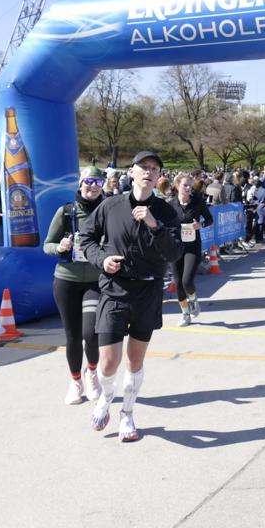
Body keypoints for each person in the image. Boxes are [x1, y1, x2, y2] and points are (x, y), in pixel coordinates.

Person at [78, 150, 182, 441]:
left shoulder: (165, 212)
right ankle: (105, 397)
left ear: (159, 176)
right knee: (108, 362)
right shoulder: (110, 206)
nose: (149, 171)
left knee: (135, 361)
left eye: (154, 168)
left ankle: (127, 413)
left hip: (148, 291)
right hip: (115, 289)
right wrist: (102, 260)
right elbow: (86, 238)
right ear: (132, 172)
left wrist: (154, 225)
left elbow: (175, 252)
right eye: (143, 167)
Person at [43, 167, 105, 405]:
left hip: (95, 282)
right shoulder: (66, 211)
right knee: (72, 336)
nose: (93, 186)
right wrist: (60, 247)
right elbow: (47, 244)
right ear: (80, 183)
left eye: (98, 182)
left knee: (91, 333)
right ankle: (75, 382)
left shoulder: (107, 210)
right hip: (67, 280)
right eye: (89, 181)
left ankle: (92, 374)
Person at [168, 172, 214, 326]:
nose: (188, 188)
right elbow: (163, 224)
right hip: (175, 246)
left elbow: (210, 219)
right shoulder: (170, 204)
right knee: (178, 283)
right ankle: (185, 314)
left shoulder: (197, 201)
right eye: (185, 185)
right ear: (177, 186)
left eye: (190, 185)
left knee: (187, 281)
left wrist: (200, 225)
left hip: (192, 246)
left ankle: (193, 299)